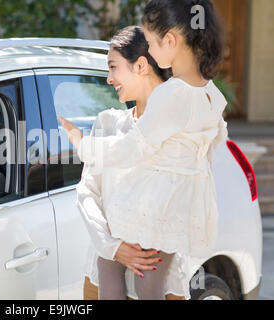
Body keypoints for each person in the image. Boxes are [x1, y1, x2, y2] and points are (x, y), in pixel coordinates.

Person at [60, 0, 228, 300]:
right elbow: (87, 193)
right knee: (112, 271)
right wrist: (114, 247)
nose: (109, 79)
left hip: (155, 241)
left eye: (113, 68)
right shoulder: (209, 97)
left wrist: (82, 145)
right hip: (129, 243)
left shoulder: (177, 98)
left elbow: (137, 149)